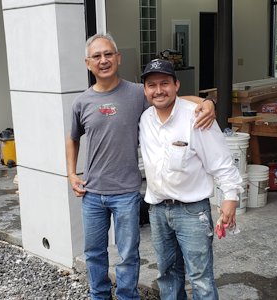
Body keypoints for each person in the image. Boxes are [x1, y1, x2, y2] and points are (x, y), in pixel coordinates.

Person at [65, 33, 216, 300]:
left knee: (127, 254)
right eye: (97, 56)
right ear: (88, 63)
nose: (103, 60)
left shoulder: (138, 93)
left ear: (118, 58)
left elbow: (174, 99)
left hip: (126, 192)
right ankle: (98, 295)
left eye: (108, 54)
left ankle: (126, 297)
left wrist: (207, 103)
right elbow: (72, 138)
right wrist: (71, 173)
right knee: (94, 252)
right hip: (92, 193)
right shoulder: (81, 102)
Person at [139, 59, 243, 300]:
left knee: (201, 278)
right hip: (157, 210)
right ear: (144, 90)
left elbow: (221, 161)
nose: (159, 90)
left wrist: (230, 198)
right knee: (167, 274)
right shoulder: (145, 120)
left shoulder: (196, 117)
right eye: (151, 85)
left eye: (165, 83)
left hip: (193, 212)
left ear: (176, 85)